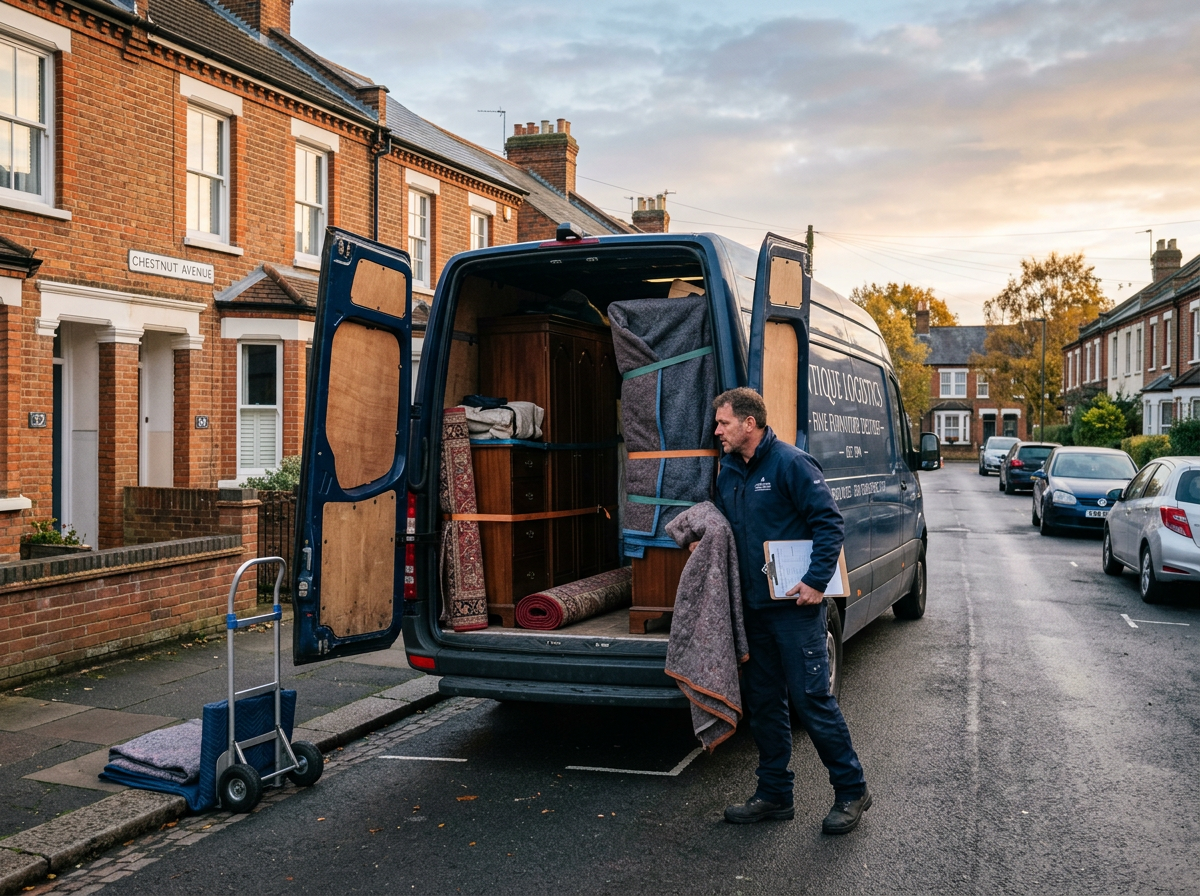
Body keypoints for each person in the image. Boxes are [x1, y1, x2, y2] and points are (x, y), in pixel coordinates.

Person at [707, 387, 870, 833]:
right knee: (764, 704)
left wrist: (817, 582)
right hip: (755, 611)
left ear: (749, 424)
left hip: (796, 609)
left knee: (811, 701)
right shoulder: (728, 472)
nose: (716, 430)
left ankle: (852, 790)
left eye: (723, 423)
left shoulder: (791, 463)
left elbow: (828, 522)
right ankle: (775, 794)